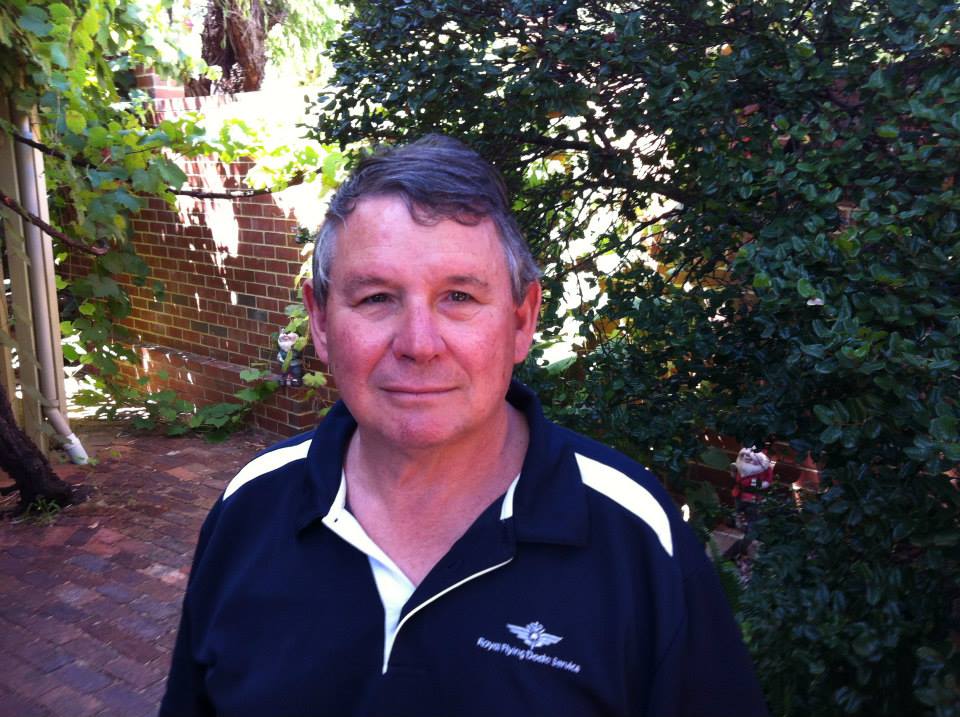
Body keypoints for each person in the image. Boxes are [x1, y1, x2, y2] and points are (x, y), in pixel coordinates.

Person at [159, 135, 768, 717]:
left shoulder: (633, 536)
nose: (418, 344)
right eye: (376, 298)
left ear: (522, 320)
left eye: (458, 297)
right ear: (320, 323)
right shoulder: (251, 507)